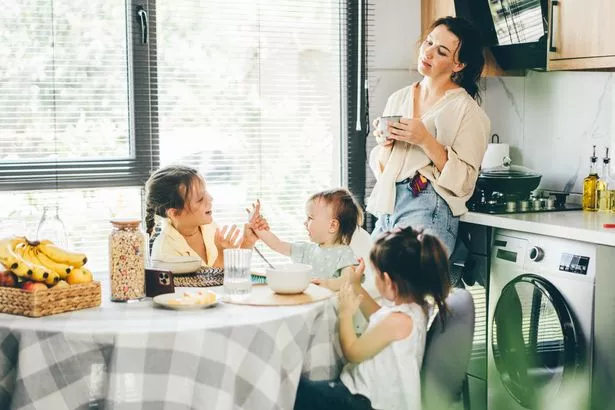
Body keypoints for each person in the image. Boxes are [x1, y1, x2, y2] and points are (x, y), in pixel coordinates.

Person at [367, 16, 491, 256]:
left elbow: (465, 182)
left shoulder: (468, 111)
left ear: (459, 65)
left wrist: (425, 140)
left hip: (427, 204)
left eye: (442, 51)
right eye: (429, 42)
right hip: (389, 205)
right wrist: (385, 144)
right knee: (373, 284)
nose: (429, 53)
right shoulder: (399, 98)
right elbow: (383, 168)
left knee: (412, 290)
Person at [294, 226, 451, 410]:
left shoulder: (398, 321)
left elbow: (352, 352)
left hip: (366, 401)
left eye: (376, 274)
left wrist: (346, 314)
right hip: (366, 394)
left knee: (299, 390)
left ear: (389, 282)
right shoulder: (416, 308)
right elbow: (378, 315)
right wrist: (355, 285)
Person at [145, 165, 267, 268]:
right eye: (200, 199)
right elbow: (201, 294)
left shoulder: (209, 228)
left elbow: (234, 272)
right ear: (174, 213)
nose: (210, 199)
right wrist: (222, 256)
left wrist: (248, 242)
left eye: (206, 193)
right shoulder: (165, 252)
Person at [250, 188, 362, 290]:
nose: (305, 222)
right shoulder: (305, 249)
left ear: (332, 226)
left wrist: (327, 284)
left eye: (310, 218)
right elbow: (277, 244)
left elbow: (349, 279)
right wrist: (257, 226)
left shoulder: (344, 253)